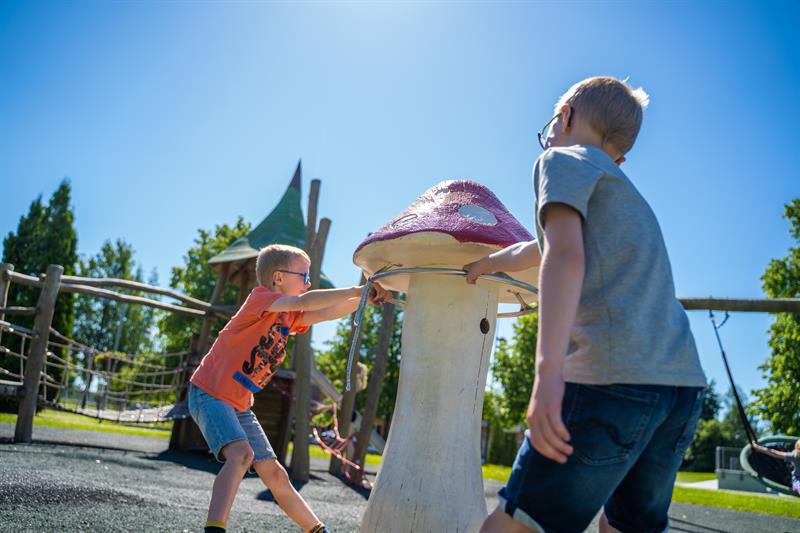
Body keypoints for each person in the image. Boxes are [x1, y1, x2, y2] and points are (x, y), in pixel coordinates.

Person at [465, 76, 707, 532]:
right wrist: (487, 263)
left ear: (566, 116)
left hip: (610, 378)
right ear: (621, 154)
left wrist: (548, 373)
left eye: (550, 127)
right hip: (680, 388)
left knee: (513, 526)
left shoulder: (560, 158)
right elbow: (540, 246)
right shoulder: (623, 193)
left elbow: (564, 256)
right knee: (623, 526)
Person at [188, 244, 387, 533]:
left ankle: (319, 531)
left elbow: (325, 313)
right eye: (304, 276)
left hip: (239, 404)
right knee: (241, 455)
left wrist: (365, 299)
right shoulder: (260, 300)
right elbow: (305, 303)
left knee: (275, 474)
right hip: (209, 393)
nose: (308, 283)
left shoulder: (286, 316)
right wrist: (357, 290)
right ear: (279, 278)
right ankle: (214, 529)